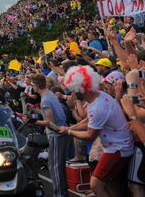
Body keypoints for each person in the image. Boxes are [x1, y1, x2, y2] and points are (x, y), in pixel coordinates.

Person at [60, 65, 134, 197]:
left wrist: (69, 132)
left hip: (118, 149)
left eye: (72, 89)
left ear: (80, 89)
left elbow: (90, 134)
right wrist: (69, 128)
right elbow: (88, 121)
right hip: (118, 146)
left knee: (96, 184)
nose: (71, 93)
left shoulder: (97, 107)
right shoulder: (100, 97)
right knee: (109, 184)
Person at [30, 73, 69, 197]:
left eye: (32, 85)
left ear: (37, 85)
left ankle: (60, 194)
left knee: (55, 166)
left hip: (56, 135)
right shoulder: (49, 94)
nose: (32, 87)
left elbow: (49, 122)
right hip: (59, 133)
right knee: (56, 164)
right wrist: (35, 110)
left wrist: (35, 121)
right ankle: (62, 192)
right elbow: (48, 113)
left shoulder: (45, 99)